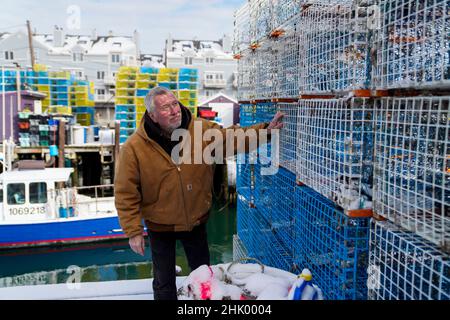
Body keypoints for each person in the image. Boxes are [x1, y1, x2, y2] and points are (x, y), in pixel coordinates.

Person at [114, 86, 283, 300]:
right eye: (166, 108)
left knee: (204, 277)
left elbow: (232, 138)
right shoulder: (134, 147)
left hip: (195, 220)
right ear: (152, 116)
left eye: (175, 103)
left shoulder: (201, 130)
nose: (175, 110)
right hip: (160, 224)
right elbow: (125, 192)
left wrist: (266, 131)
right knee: (164, 281)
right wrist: (133, 231)